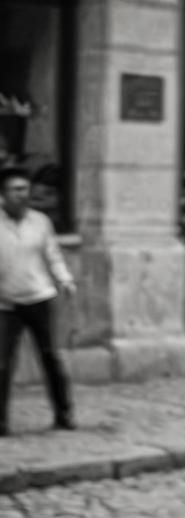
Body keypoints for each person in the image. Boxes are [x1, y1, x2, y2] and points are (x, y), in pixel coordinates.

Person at [0, 167, 76, 435]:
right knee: (2, 363)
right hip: (6, 303)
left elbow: (52, 254)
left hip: (39, 297)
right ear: (3, 195)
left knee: (50, 357)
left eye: (25, 189)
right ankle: (1, 422)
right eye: (16, 190)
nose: (23, 195)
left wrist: (64, 280)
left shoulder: (40, 222)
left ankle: (64, 413)